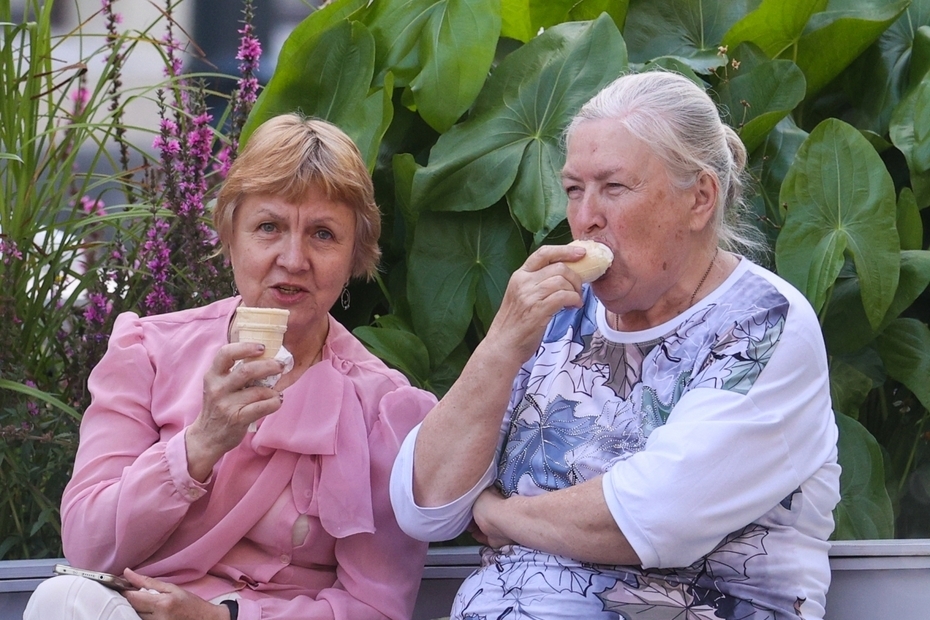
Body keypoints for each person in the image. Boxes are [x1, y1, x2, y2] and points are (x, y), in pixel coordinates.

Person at [390, 71, 841, 620]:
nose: (586, 218)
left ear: (700, 199)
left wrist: (498, 515)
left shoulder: (763, 322)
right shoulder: (556, 311)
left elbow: (655, 517)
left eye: (614, 188)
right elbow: (427, 507)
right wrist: (500, 347)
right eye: (574, 189)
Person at [24, 114, 438, 620]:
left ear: (355, 254)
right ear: (230, 235)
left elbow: (377, 608)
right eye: (269, 227)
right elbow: (87, 546)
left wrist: (221, 617)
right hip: (133, 612)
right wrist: (201, 442)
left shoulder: (383, 406)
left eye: (323, 234)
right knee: (62, 602)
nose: (294, 259)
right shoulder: (148, 352)